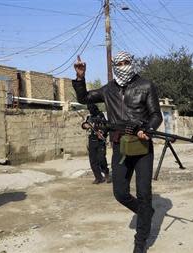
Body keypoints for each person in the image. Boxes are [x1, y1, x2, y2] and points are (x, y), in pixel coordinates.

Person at [73, 52, 162, 253]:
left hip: (141, 148)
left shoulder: (146, 85)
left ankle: (140, 242)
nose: (123, 66)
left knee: (144, 193)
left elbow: (156, 114)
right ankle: (145, 212)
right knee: (120, 193)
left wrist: (147, 128)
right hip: (120, 146)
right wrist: (80, 78)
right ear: (114, 66)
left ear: (132, 63)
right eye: (119, 64)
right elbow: (84, 97)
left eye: (126, 62)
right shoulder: (108, 89)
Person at [85, 103, 111, 184]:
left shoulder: (102, 115)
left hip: (100, 141)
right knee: (93, 160)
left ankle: (106, 173)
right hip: (91, 141)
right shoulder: (89, 117)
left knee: (101, 158)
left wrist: (102, 132)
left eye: (92, 109)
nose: (90, 111)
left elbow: (108, 126)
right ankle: (98, 177)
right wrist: (85, 125)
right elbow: (84, 124)